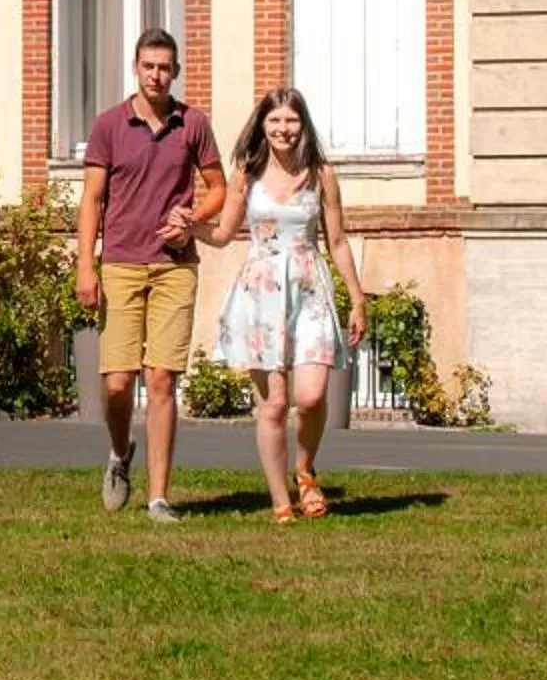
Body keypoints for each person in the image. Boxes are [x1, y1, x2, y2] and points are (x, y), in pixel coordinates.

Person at [73, 28, 225, 522]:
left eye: (165, 67)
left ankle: (159, 497)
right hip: (118, 263)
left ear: (175, 72)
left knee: (161, 381)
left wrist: (193, 219)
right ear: (136, 69)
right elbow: (92, 200)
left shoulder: (193, 124)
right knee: (117, 384)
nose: (157, 75)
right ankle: (120, 454)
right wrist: (85, 266)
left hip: (174, 268)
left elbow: (219, 188)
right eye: (149, 66)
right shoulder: (109, 126)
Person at [205, 87, 370, 522]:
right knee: (275, 404)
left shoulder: (321, 174)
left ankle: (304, 469)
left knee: (312, 397)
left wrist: (356, 298)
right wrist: (190, 229)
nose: (283, 129)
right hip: (260, 294)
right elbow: (222, 234)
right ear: (262, 124)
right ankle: (281, 501)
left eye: (291, 121)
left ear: (303, 124)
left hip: (310, 288)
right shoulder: (246, 174)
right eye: (275, 120)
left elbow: (336, 240)